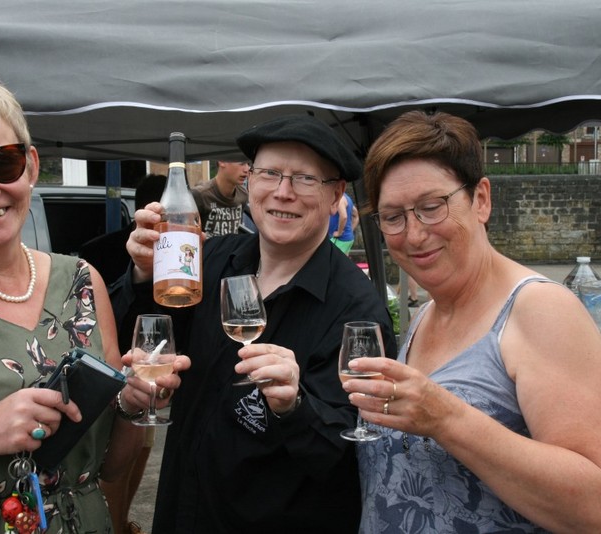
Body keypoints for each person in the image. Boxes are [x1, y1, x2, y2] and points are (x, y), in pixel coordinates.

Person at [0, 62, 186, 533]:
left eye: (2, 163)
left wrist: (133, 406)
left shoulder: (81, 281)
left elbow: (110, 468)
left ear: (30, 165)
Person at [110, 114, 398, 533]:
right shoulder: (211, 259)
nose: (283, 192)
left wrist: (295, 407)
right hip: (181, 514)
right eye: (269, 173)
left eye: (304, 179)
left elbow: (350, 454)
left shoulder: (356, 310)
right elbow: (134, 338)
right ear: (250, 181)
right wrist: (142, 273)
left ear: (336, 193)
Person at [343, 111, 601, 533]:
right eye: (393, 217)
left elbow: (594, 507)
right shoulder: (425, 315)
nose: (414, 234)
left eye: (431, 207)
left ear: (481, 200)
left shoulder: (541, 310)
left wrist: (447, 419)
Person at [80, 174, 167, 534]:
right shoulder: (101, 252)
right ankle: (117, 524)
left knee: (141, 447)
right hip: (113, 369)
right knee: (116, 460)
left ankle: (123, 521)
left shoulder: (177, 246)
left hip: (147, 372)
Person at [79, 173, 167, 287]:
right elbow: (93, 296)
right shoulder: (97, 252)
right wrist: (140, 275)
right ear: (147, 212)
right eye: (170, 216)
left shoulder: (184, 249)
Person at [192, 160, 250, 237]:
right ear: (222, 161)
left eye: (248, 164)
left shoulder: (243, 194)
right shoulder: (200, 195)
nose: (247, 169)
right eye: (241, 163)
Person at [328, 190, 358, 255]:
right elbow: (356, 215)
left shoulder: (340, 199)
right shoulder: (347, 198)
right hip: (346, 238)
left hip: (340, 239)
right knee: (341, 260)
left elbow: (344, 216)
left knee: (332, 259)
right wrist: (351, 230)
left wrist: (339, 232)